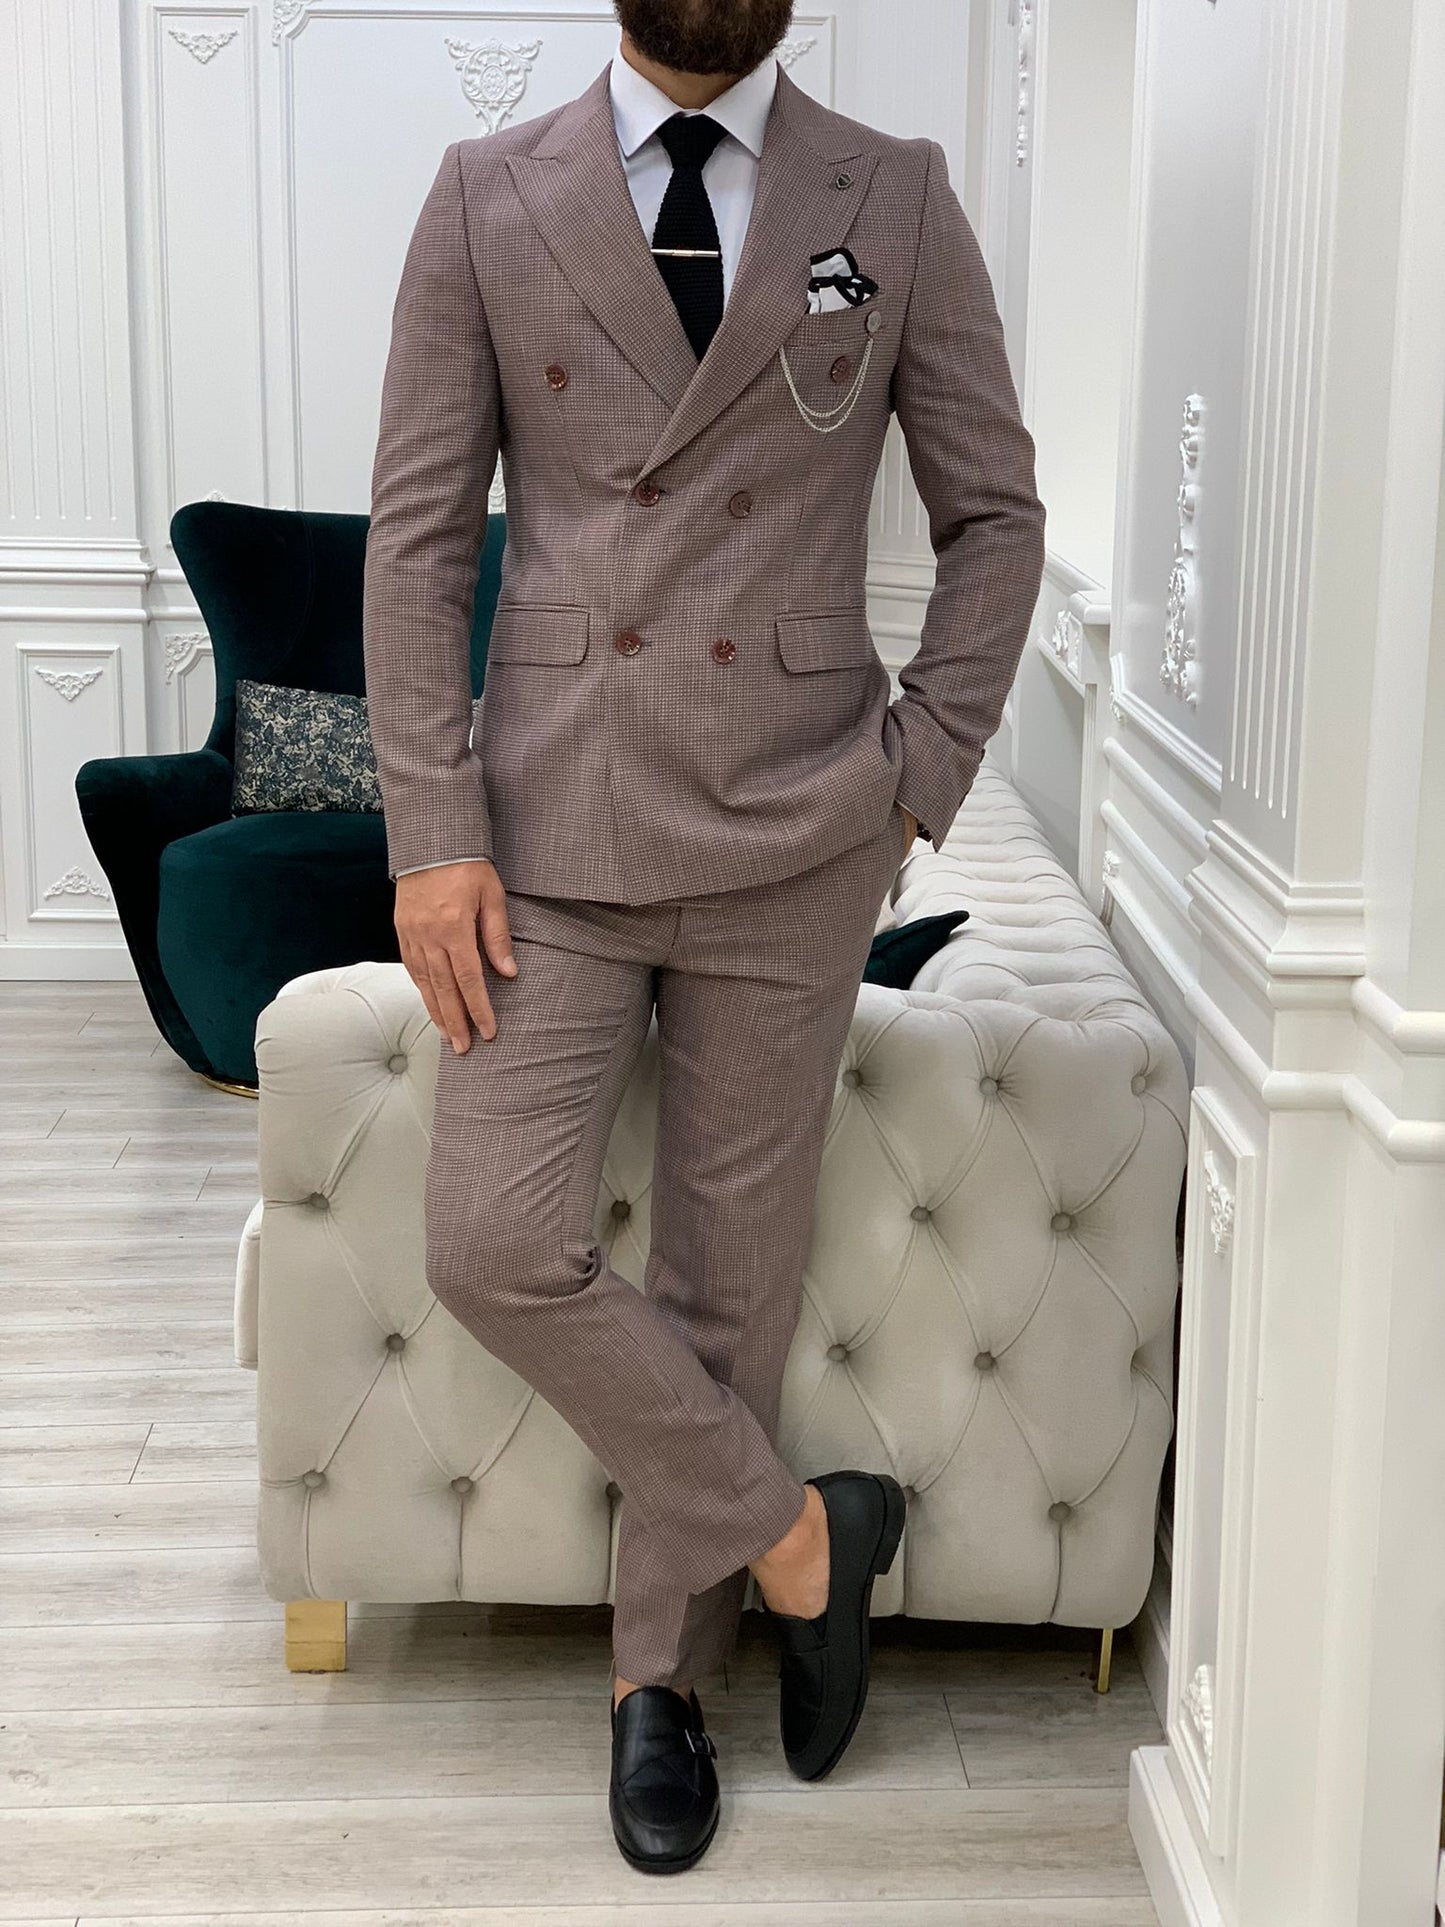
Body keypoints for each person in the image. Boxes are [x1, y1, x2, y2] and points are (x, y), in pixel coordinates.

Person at [363, 0, 1046, 1875]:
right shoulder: (486, 193)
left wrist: (918, 775)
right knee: (491, 1237)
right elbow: (417, 538)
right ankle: (809, 1536)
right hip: (547, 833)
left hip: (799, 825)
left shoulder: (888, 195)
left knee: (725, 1288)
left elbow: (994, 516)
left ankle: (654, 1685)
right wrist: (431, 834)